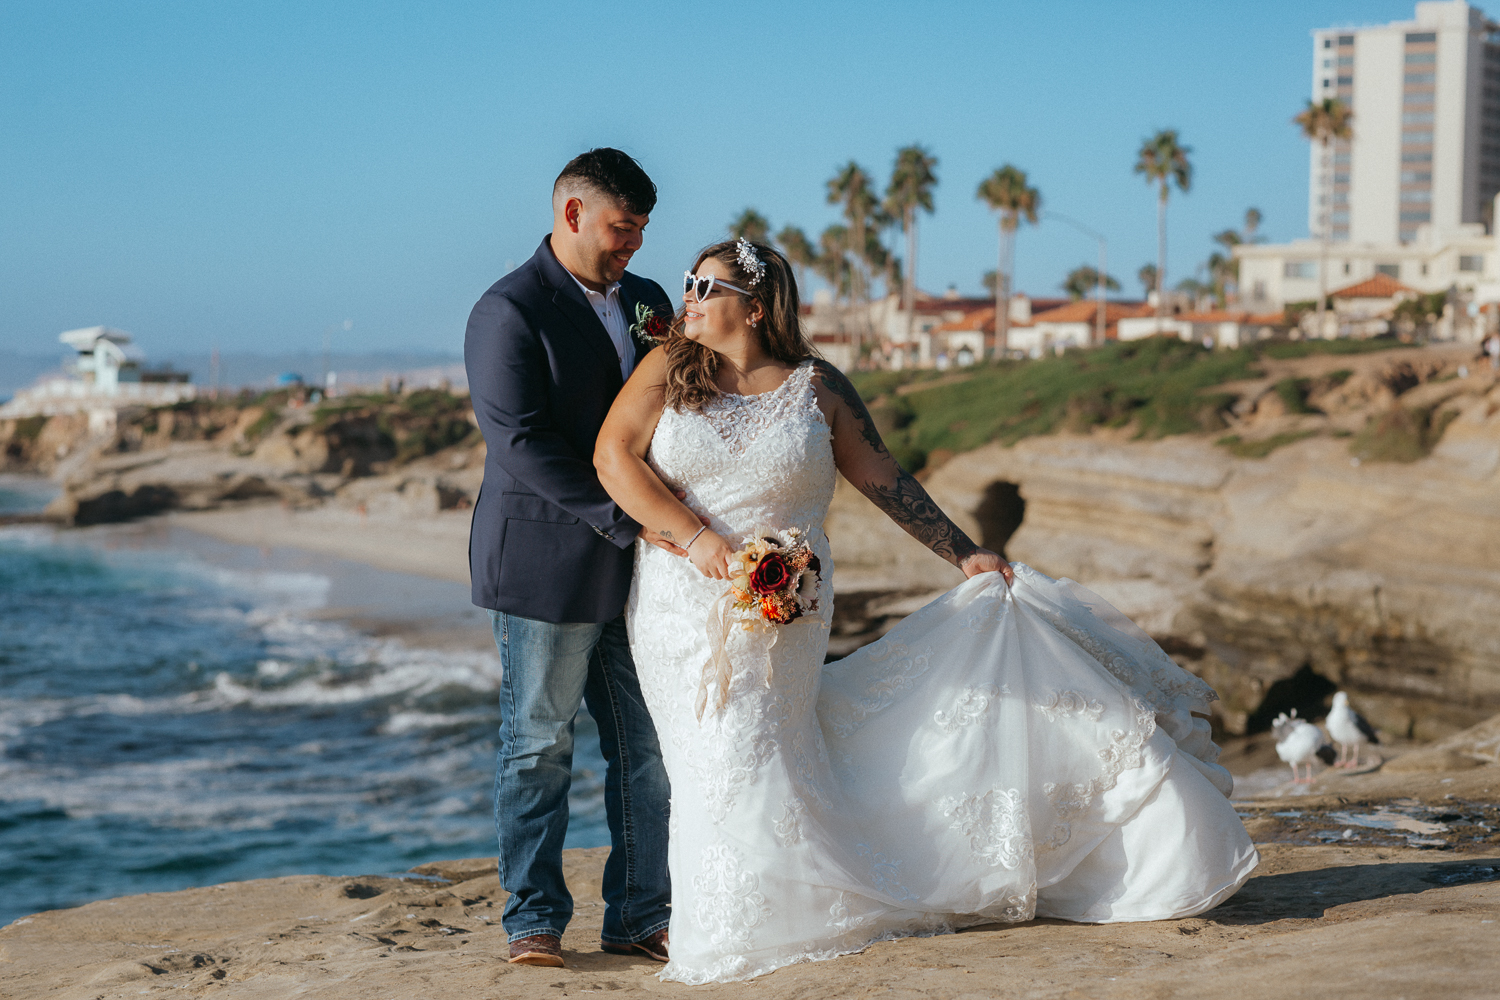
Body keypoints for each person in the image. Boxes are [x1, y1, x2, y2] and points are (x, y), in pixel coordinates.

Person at [594, 239, 1258, 985]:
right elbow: (613, 456)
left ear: (754, 307)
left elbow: (884, 478)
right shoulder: (668, 370)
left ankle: (772, 913)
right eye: (688, 283)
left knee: (763, 743)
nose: (687, 296)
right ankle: (734, 920)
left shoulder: (819, 388)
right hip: (682, 603)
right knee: (710, 750)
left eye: (704, 286)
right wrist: (695, 538)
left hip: (790, 605)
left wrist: (964, 553)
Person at [464, 148, 680, 969]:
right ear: (572, 212)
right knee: (539, 746)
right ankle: (533, 920)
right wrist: (632, 519)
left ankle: (638, 915)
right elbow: (520, 443)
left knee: (647, 747)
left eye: (643, 229)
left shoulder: (652, 302)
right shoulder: (507, 310)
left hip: (645, 570)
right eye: (623, 228)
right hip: (546, 565)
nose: (634, 245)